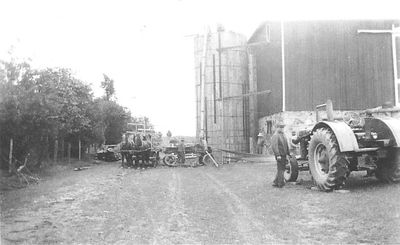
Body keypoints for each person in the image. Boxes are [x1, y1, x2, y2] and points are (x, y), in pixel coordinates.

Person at [271, 121, 290, 188]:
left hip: (284, 155)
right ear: (277, 128)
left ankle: (275, 182)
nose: (281, 129)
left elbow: (286, 145)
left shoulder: (283, 135)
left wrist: (288, 153)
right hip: (279, 155)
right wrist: (278, 155)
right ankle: (280, 183)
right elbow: (274, 146)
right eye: (280, 127)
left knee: (282, 168)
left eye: (282, 127)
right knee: (280, 169)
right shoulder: (275, 135)